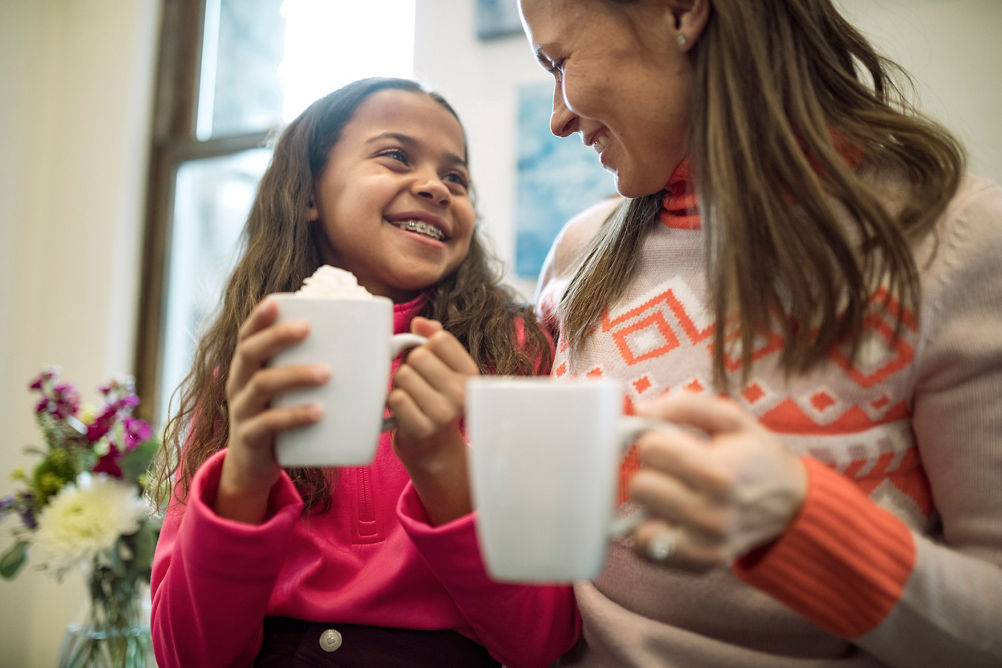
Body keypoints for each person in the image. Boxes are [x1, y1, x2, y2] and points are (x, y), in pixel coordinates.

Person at [517, 1, 1002, 666]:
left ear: (681, 12)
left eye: (559, 63)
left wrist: (809, 531)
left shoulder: (954, 238)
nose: (558, 116)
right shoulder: (580, 254)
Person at [148, 77, 578, 668]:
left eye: (457, 178)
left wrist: (443, 465)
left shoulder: (518, 353)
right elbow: (186, 656)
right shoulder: (252, 374)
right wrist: (245, 473)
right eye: (395, 156)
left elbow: (541, 640)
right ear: (310, 194)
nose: (434, 186)